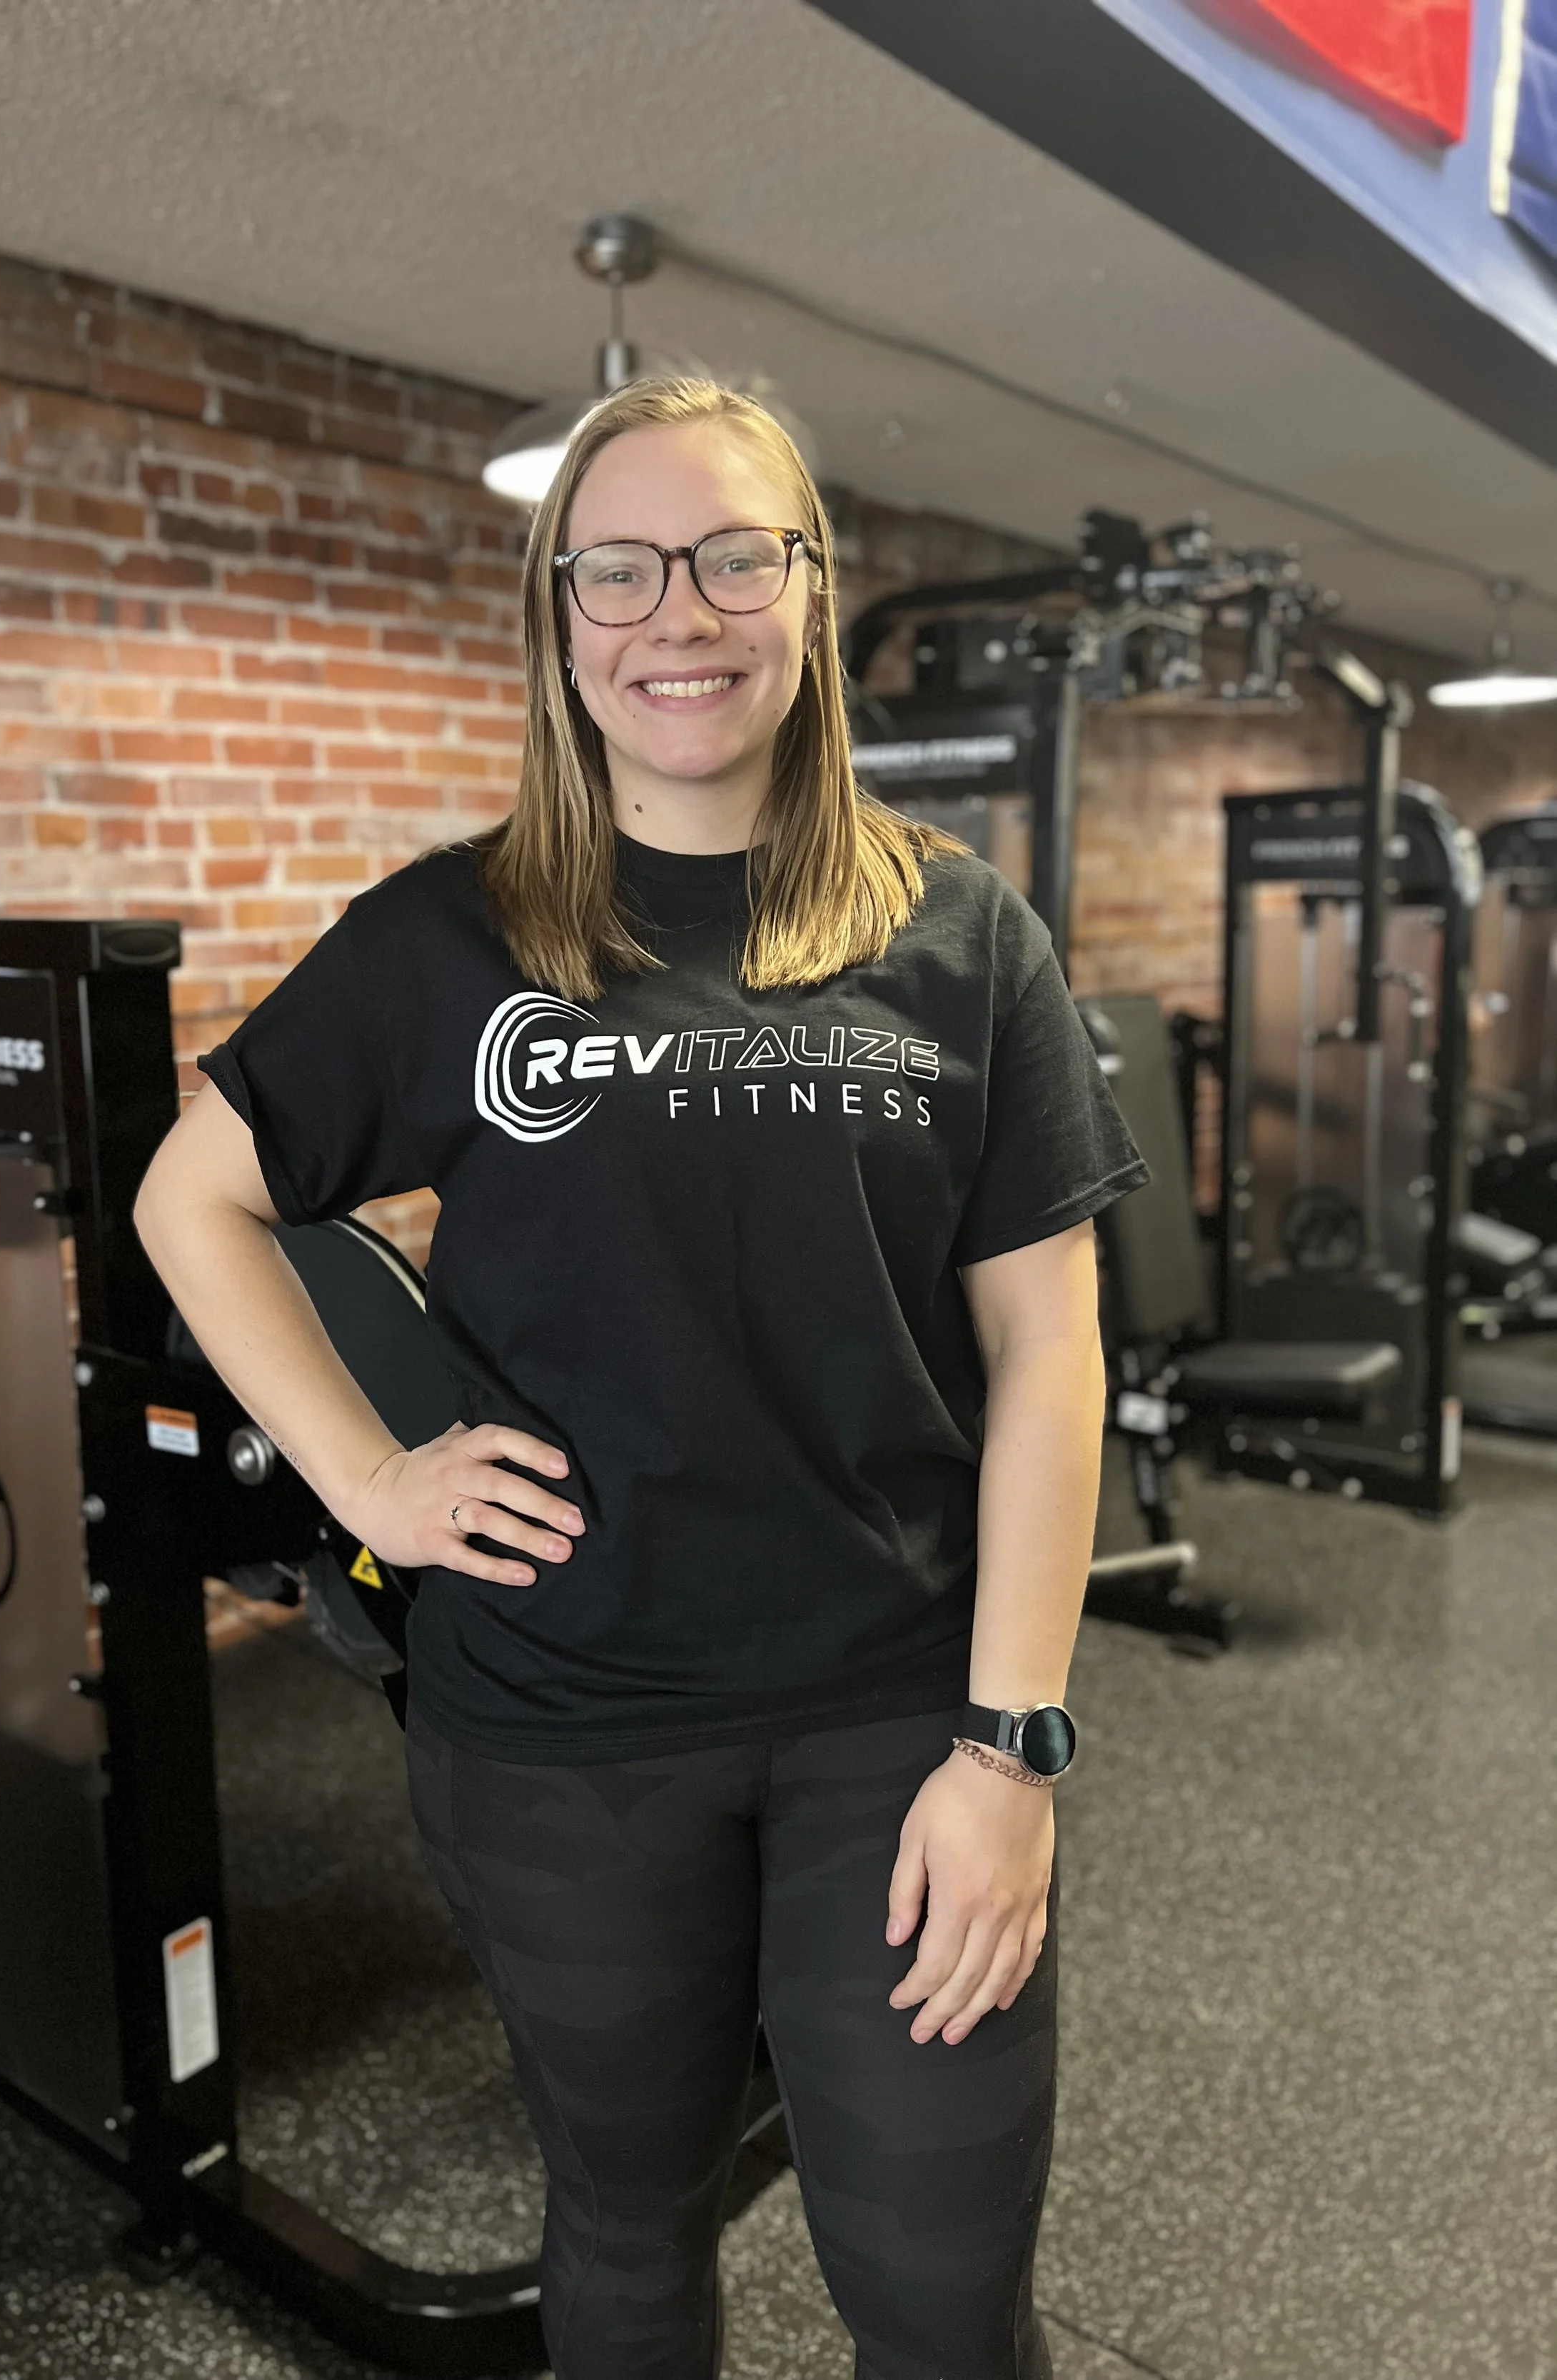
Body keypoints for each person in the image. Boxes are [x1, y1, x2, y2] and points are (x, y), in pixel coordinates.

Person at [134, 376, 1147, 2380]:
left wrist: (1012, 1738)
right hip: (561, 1731)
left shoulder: (962, 936)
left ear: (805, 590)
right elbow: (195, 1197)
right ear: (560, 614)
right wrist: (366, 1483)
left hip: (895, 1710)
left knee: (942, 2300)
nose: (673, 612)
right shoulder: (457, 931)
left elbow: (1049, 1354)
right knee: (624, 2229)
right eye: (616, 566)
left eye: (727, 555)